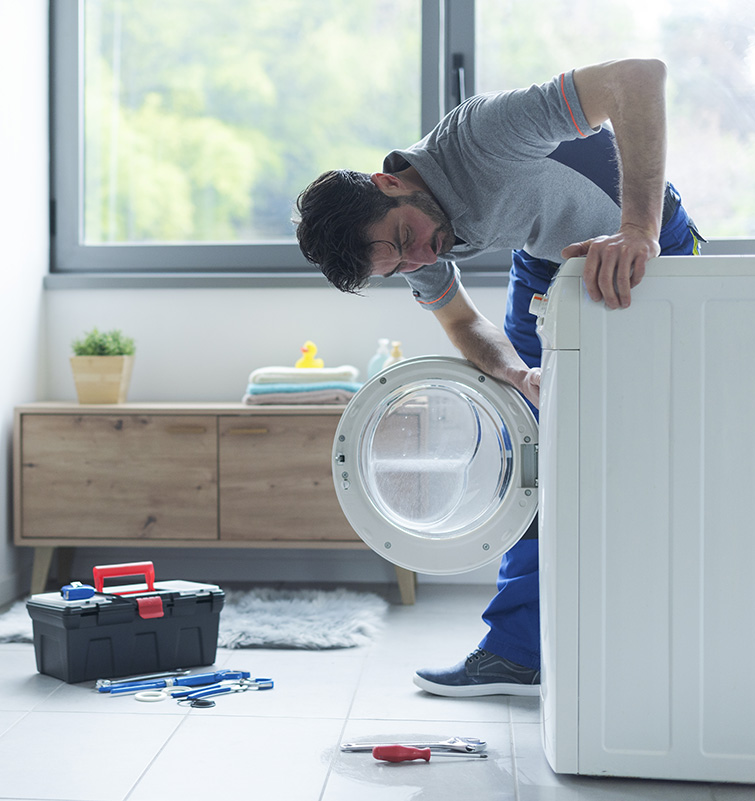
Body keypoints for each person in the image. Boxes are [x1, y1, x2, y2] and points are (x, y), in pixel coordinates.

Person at [294, 59, 704, 697]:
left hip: (647, 247)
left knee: (641, 452)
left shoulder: (482, 134)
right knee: (534, 456)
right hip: (550, 262)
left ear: (390, 182)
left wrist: (638, 231)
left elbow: (640, 78)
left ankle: (657, 642)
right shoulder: (409, 242)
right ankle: (519, 654)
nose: (421, 258)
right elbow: (460, 322)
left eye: (408, 237)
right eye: (398, 261)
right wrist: (518, 373)